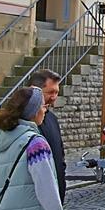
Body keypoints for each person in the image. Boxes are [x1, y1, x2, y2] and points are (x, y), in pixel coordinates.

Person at [29, 69, 66, 202]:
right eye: (50, 92)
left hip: (55, 193)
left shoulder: (52, 118)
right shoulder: (24, 122)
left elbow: (59, 155)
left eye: (56, 92)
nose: (54, 97)